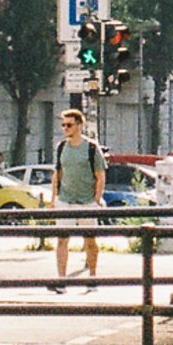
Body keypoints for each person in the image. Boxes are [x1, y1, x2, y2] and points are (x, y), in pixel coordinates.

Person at [52, 108, 106, 283]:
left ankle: (92, 275)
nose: (65, 128)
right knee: (62, 240)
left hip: (87, 201)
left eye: (69, 125)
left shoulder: (91, 148)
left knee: (90, 240)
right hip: (65, 201)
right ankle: (61, 279)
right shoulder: (61, 147)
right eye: (63, 125)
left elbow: (100, 175)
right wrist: (55, 197)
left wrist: (96, 199)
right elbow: (57, 173)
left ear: (79, 126)